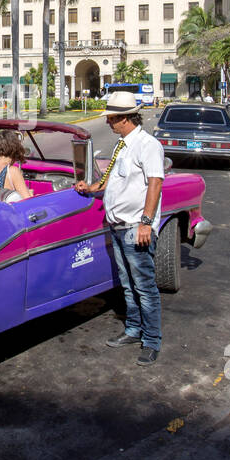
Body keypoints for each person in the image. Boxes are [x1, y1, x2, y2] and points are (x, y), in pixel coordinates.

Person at [75, 91, 166, 366]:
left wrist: (146, 223)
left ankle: (151, 340)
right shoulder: (122, 145)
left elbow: (155, 183)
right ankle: (133, 329)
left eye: (111, 118)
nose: (108, 123)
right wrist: (90, 189)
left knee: (144, 287)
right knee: (127, 284)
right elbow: (112, 179)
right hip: (117, 226)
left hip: (135, 227)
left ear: (125, 119)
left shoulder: (147, 145)